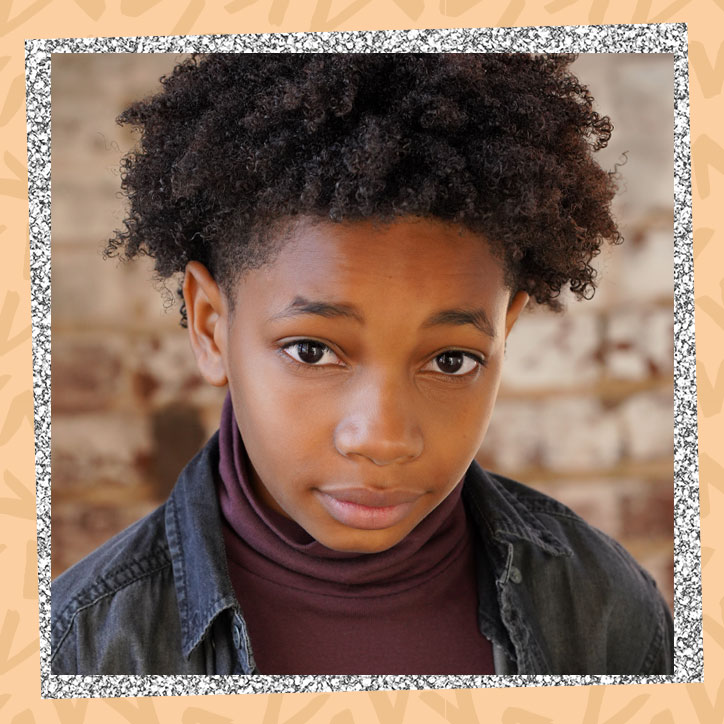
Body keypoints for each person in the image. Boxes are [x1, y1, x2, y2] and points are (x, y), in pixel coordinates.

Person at [51, 53, 673, 676]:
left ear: (505, 334)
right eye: (313, 351)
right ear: (211, 327)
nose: (382, 439)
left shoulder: (607, 608)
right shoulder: (80, 646)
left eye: (451, 360)